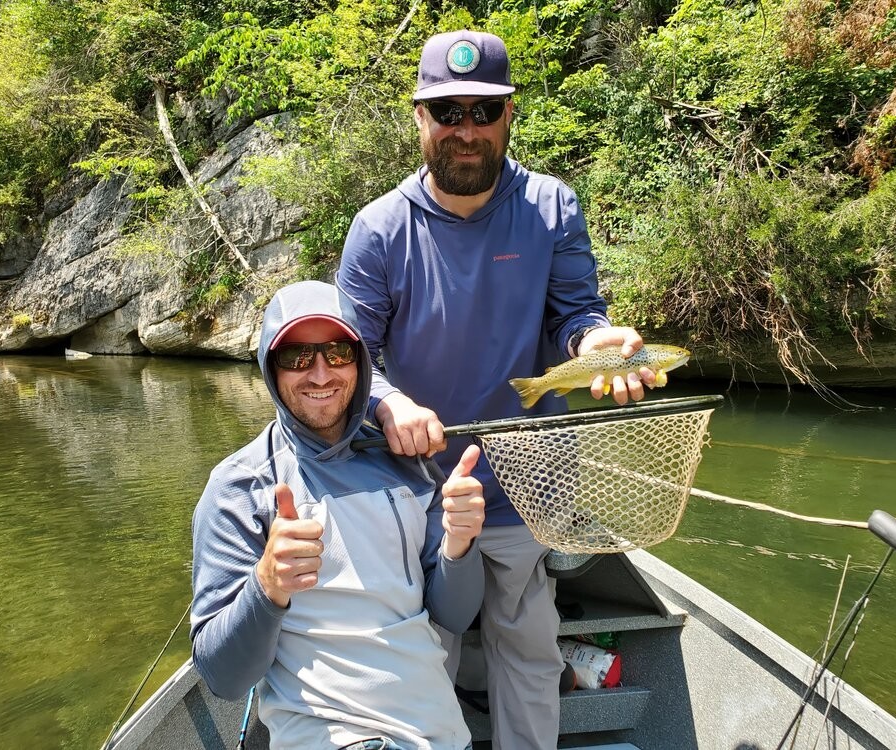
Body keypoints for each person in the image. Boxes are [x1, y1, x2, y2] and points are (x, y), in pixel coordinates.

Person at [336, 30, 658, 750]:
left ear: (509, 114)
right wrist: (391, 403)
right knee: (423, 656)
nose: (467, 130)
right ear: (420, 118)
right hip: (414, 487)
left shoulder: (551, 206)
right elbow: (350, 359)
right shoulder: (378, 229)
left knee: (527, 649)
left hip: (529, 480)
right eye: (448, 111)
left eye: (484, 112)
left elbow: (576, 316)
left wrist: (593, 344)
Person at [190, 280, 487, 750]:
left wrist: (460, 544)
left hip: (442, 734)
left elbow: (456, 615)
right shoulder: (239, 488)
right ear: (270, 367)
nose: (321, 374)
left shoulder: (407, 463)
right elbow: (223, 678)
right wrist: (268, 585)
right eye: (297, 357)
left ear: (360, 360)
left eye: (336, 352)